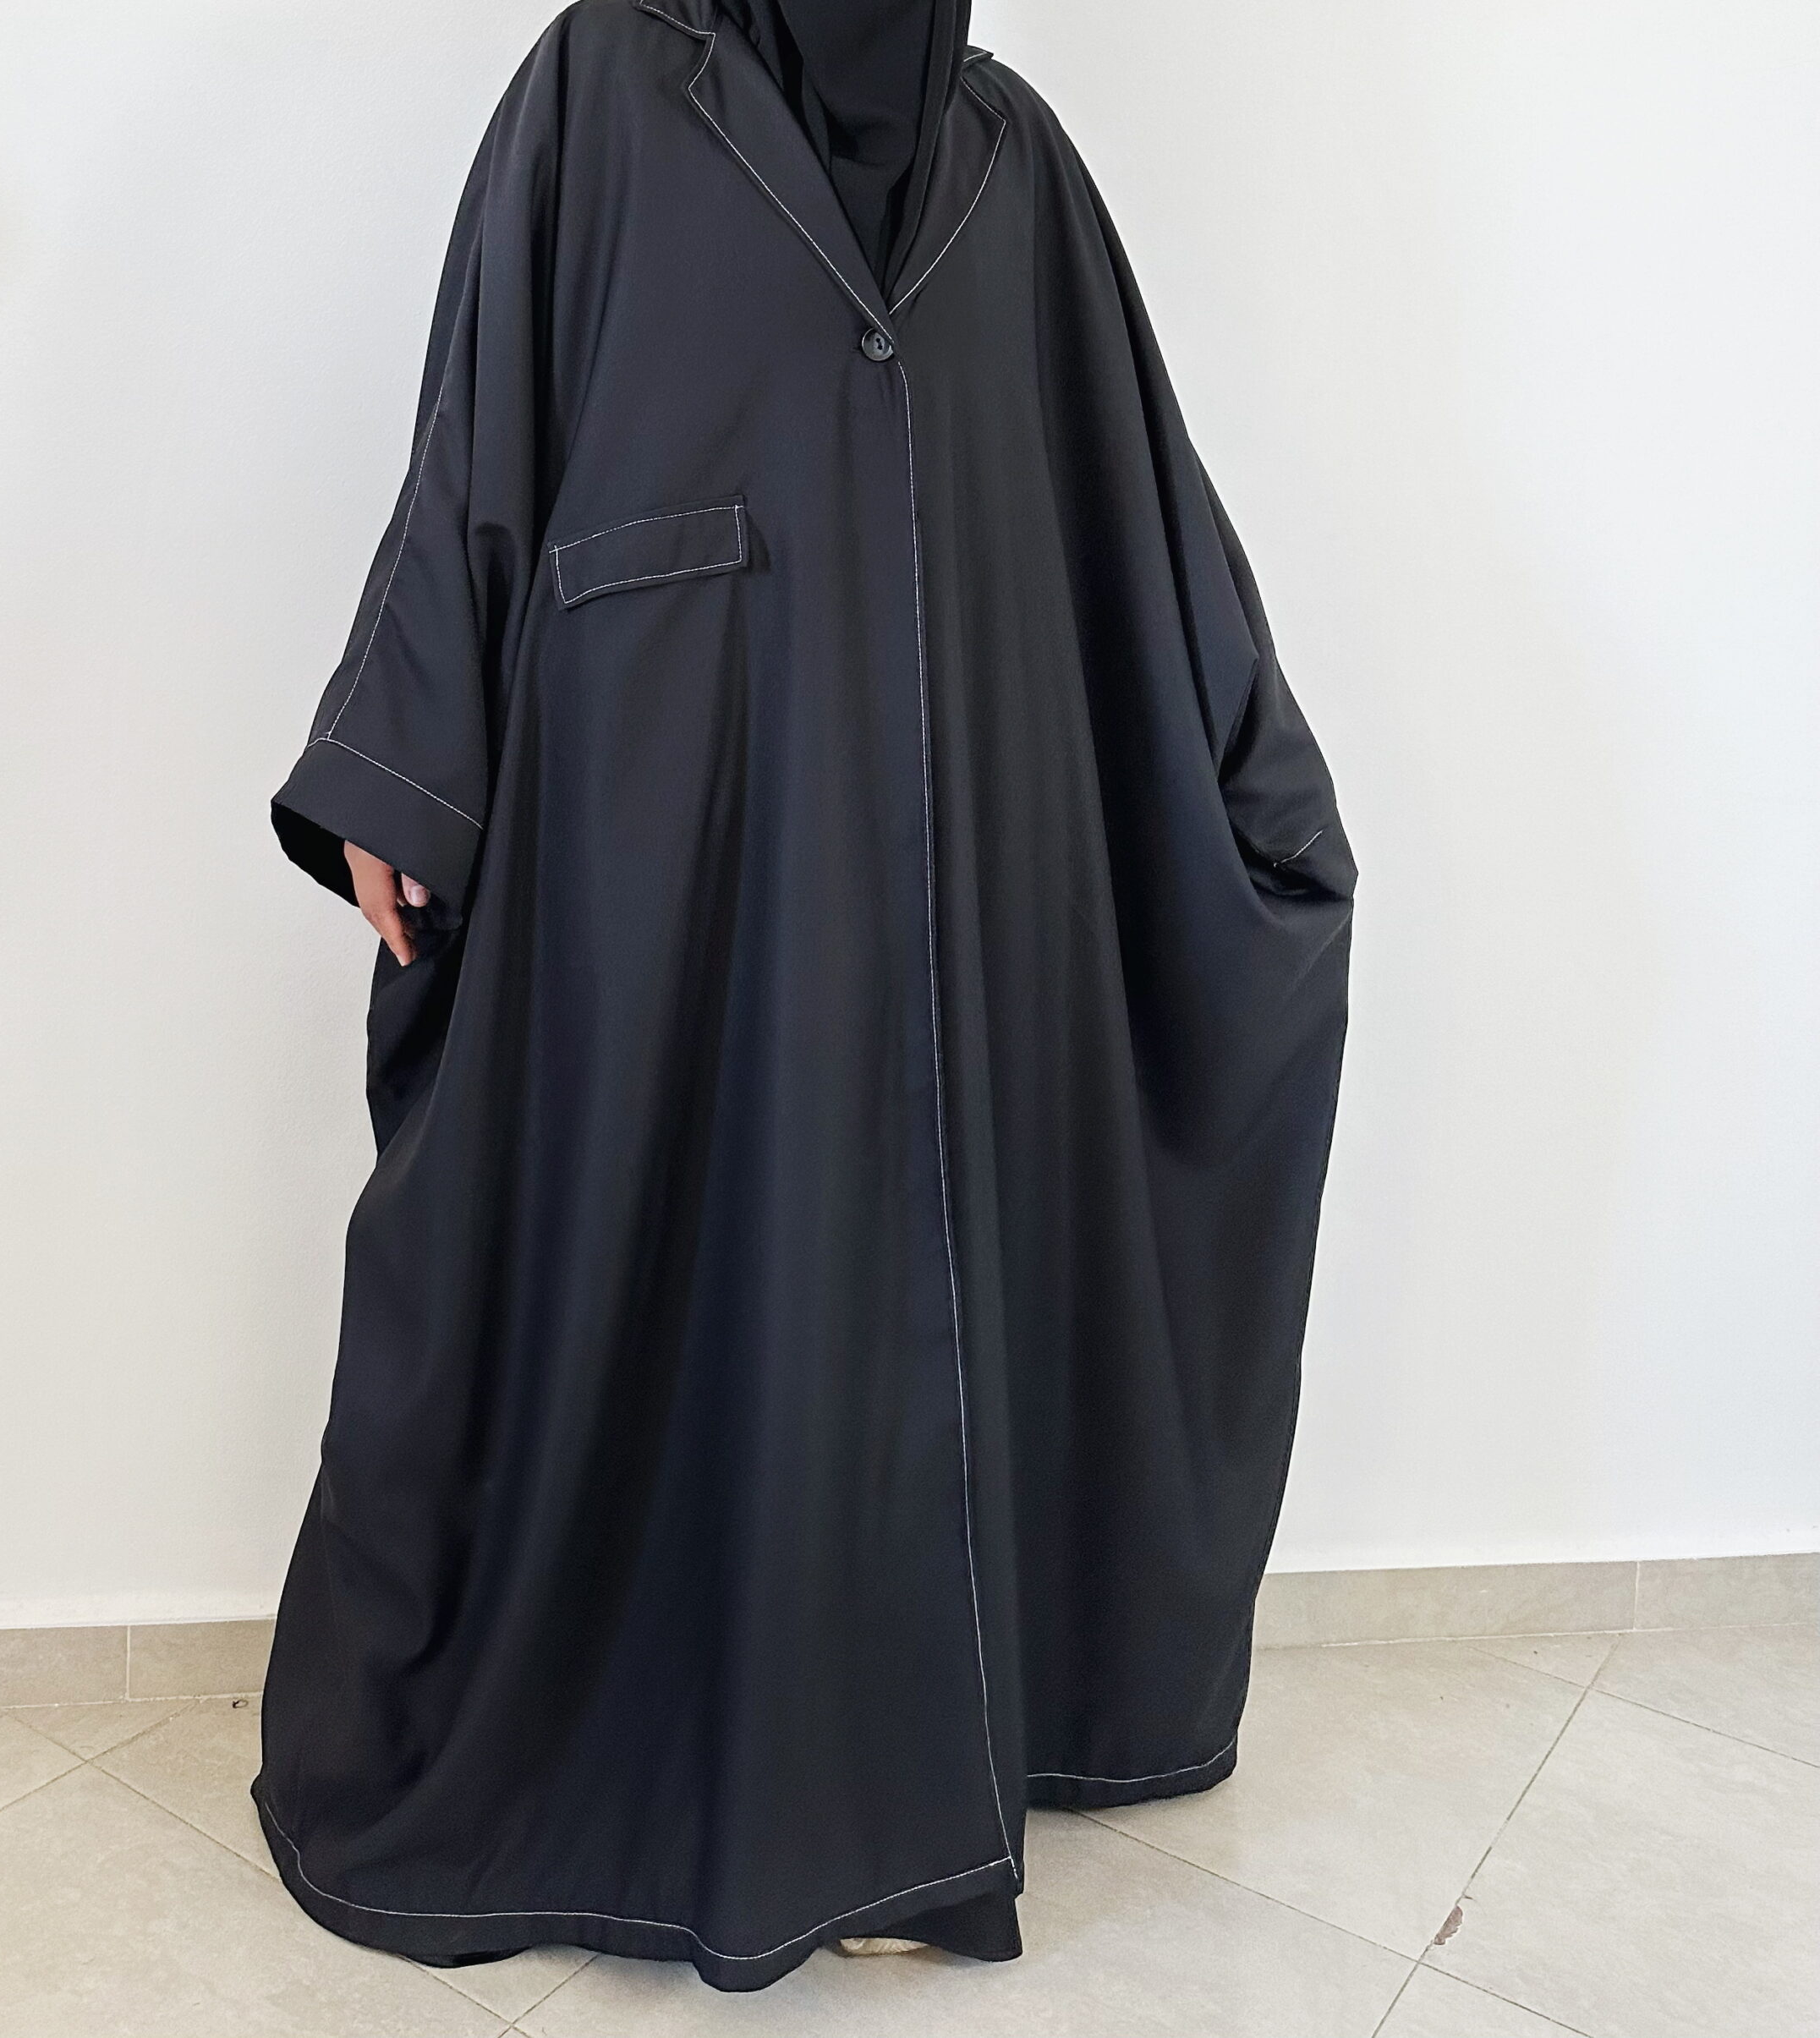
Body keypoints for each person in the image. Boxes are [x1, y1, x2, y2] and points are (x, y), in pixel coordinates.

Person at [255, 0, 1353, 1992]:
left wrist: (1244, 796)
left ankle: (907, 1783)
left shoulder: (1014, 166)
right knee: (665, 1278)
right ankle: (672, 1775)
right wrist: (398, 773)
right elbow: (478, 436)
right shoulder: (605, 85)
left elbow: (1138, 532)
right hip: (662, 837)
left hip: (960, 865)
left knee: (912, 1296)